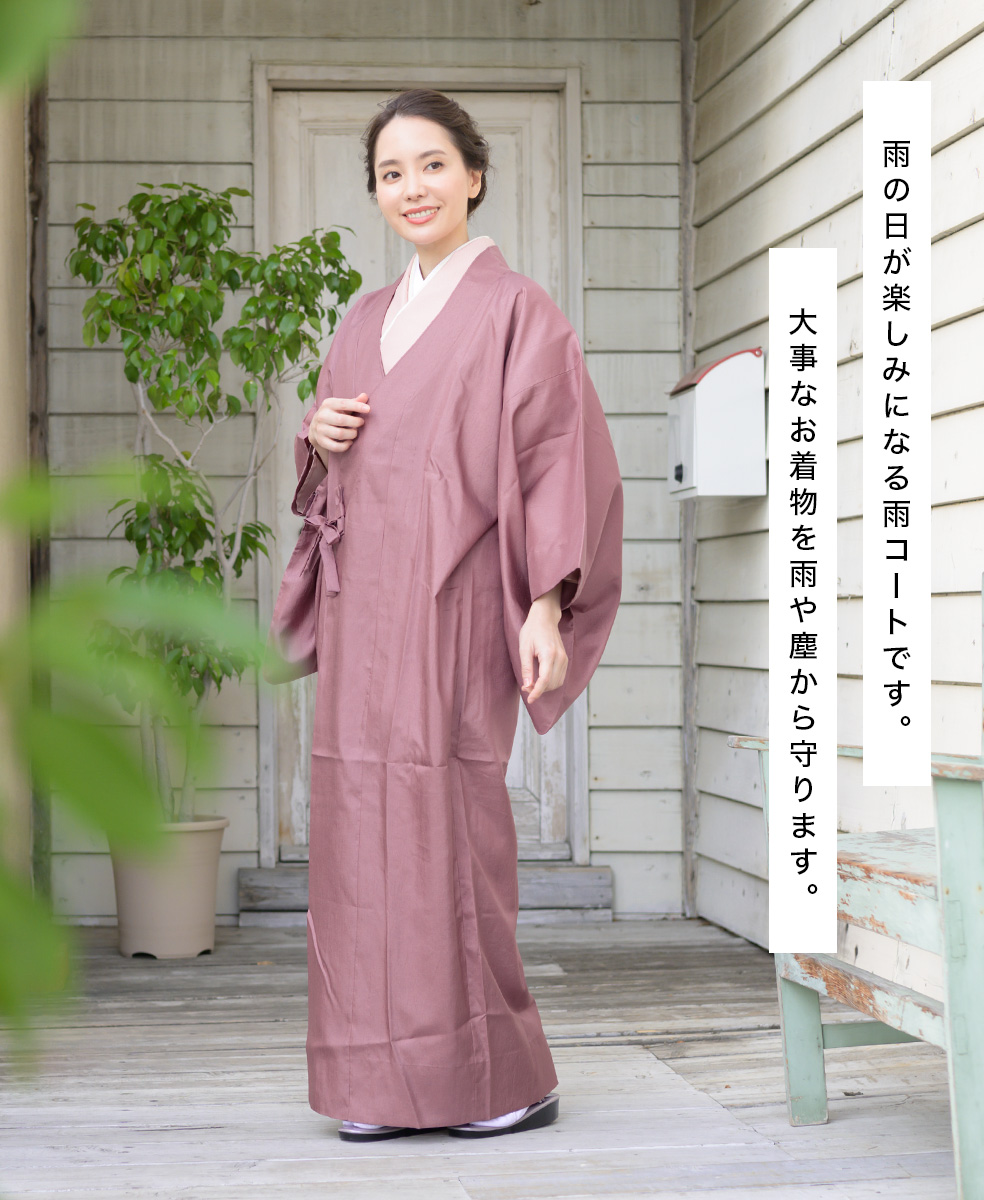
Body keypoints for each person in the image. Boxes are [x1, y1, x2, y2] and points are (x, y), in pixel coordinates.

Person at [277, 88, 624, 1143]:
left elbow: (556, 462)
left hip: (463, 607)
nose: (412, 188)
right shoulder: (364, 321)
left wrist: (545, 605)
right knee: (356, 841)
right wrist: (318, 435)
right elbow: (336, 486)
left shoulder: (522, 313)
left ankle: (495, 1075)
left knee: (451, 833)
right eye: (391, 173)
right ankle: (371, 1085)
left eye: (432, 165)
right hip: (364, 617)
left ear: (473, 174)